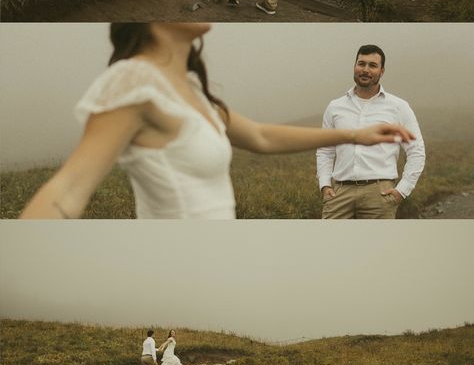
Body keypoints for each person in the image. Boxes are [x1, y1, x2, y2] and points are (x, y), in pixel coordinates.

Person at [20, 24, 415, 220]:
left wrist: (355, 135)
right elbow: (69, 188)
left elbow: (260, 135)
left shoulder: (190, 87)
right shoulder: (134, 81)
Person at [316, 45, 426, 219]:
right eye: (361, 64)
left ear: (382, 71)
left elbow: (416, 150)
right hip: (338, 194)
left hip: (380, 195)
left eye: (373, 66)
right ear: (354, 67)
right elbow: (325, 150)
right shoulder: (335, 107)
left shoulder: (398, 107)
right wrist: (325, 185)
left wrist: (402, 191)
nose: (365, 70)